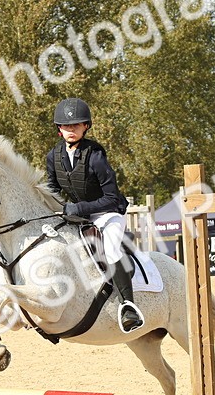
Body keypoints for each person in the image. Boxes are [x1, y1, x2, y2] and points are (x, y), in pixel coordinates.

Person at [44, 97, 144, 332]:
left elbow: (111, 197)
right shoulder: (53, 157)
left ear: (85, 126)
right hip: (79, 216)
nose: (71, 129)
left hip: (108, 213)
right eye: (66, 126)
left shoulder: (96, 156)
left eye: (76, 125)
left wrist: (77, 208)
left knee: (109, 248)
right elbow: (52, 191)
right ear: (59, 128)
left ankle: (128, 306)